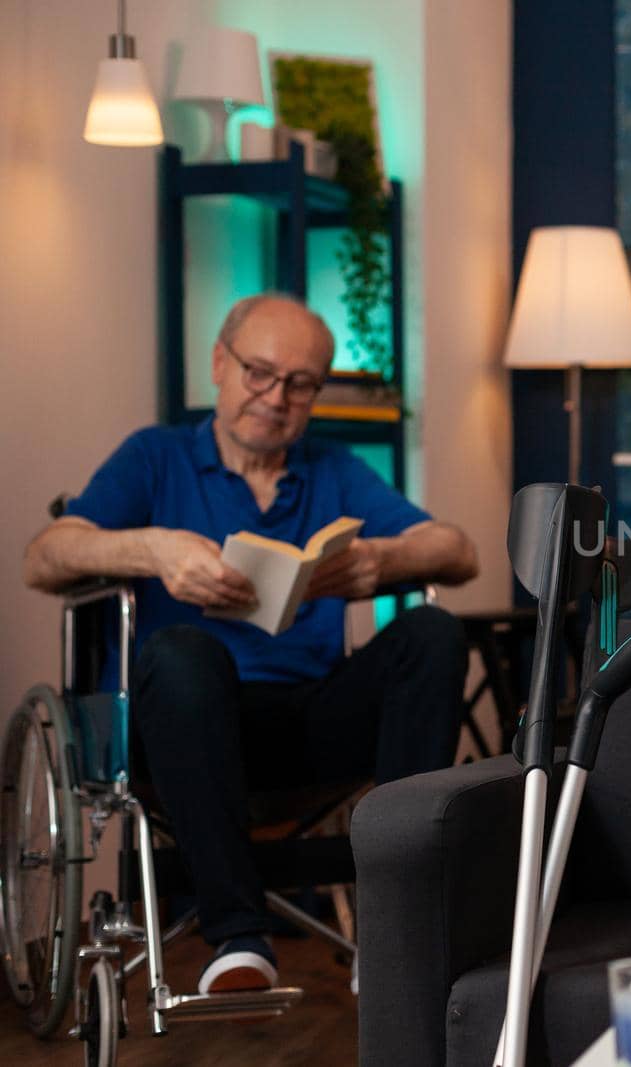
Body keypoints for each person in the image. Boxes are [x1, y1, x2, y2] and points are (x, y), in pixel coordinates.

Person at [23, 293, 479, 994]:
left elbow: (456, 549)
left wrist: (378, 564)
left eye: (300, 384)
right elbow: (45, 557)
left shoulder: (333, 469)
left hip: (305, 722)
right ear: (219, 363)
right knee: (180, 651)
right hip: (183, 726)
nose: (276, 397)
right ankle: (237, 936)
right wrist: (155, 550)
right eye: (259, 372)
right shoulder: (156, 455)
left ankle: (395, 930)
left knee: (434, 631)